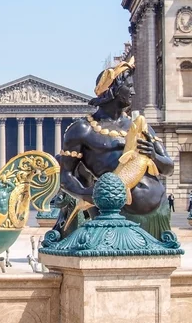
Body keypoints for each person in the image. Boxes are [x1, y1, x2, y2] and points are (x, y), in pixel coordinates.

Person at [54, 58, 174, 239]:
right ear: (112, 89)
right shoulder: (82, 129)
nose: (133, 92)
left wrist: (154, 155)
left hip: (158, 211)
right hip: (113, 215)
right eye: (129, 86)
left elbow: (168, 168)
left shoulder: (139, 126)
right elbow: (66, 177)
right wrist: (91, 195)